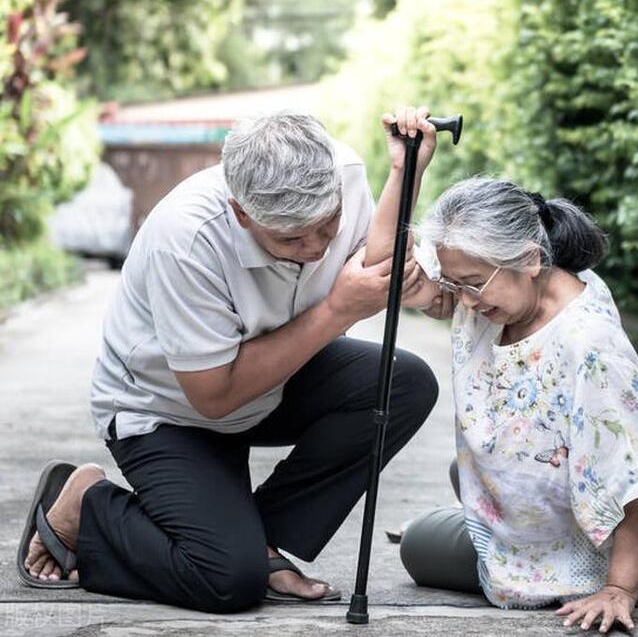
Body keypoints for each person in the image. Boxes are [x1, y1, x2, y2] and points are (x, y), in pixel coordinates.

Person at [17, 109, 439, 612]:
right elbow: (214, 397)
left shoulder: (340, 174)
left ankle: (262, 539)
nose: (313, 249)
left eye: (326, 229)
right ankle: (88, 507)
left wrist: (405, 173)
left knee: (404, 381)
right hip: (169, 412)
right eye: (289, 239)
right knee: (225, 581)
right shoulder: (187, 238)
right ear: (242, 214)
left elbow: (377, 266)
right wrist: (336, 309)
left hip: (273, 383)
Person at [389, 108, 638, 634]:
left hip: (602, 548)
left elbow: (637, 477)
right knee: (463, 475)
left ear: (530, 258)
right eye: (455, 284)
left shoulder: (591, 345)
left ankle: (467, 528)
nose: (463, 299)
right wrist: (407, 170)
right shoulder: (484, 294)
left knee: (417, 546)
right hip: (526, 501)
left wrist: (620, 589)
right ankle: (479, 512)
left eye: (473, 283)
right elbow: (385, 276)